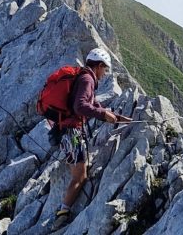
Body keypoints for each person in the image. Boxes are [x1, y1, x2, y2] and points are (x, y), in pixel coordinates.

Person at [53, 48, 131, 229]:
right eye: (105, 69)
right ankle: (62, 213)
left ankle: (64, 204)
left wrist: (117, 118)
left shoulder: (83, 77)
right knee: (80, 176)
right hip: (72, 132)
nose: (104, 74)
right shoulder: (87, 79)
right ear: (99, 66)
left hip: (64, 131)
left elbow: (95, 105)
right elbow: (81, 107)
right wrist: (104, 117)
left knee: (78, 169)